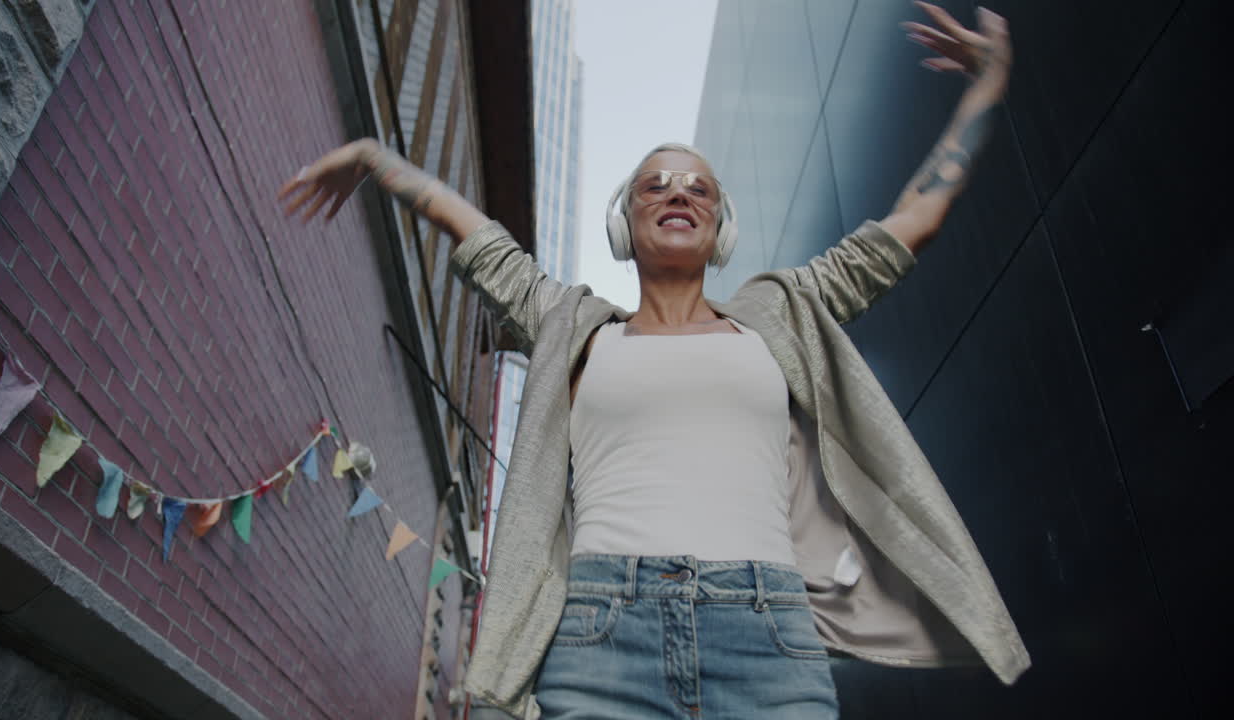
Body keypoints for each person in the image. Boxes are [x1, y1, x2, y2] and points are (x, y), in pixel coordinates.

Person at [280, 4, 1028, 718]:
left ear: (720, 227)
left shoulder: (784, 313)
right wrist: (382, 162)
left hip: (768, 638)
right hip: (602, 635)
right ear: (624, 221)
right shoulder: (572, 325)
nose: (679, 193)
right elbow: (478, 237)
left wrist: (988, 84)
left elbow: (912, 221)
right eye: (656, 185)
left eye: (699, 187)